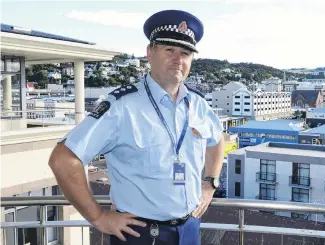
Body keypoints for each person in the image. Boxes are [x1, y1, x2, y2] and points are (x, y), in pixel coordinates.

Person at [48, 9, 224, 245]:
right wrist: (99, 218)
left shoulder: (199, 105)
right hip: (141, 233)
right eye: (169, 50)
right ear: (150, 52)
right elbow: (63, 159)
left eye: (185, 53)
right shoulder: (122, 107)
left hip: (189, 229)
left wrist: (210, 183)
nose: (177, 59)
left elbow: (217, 139)